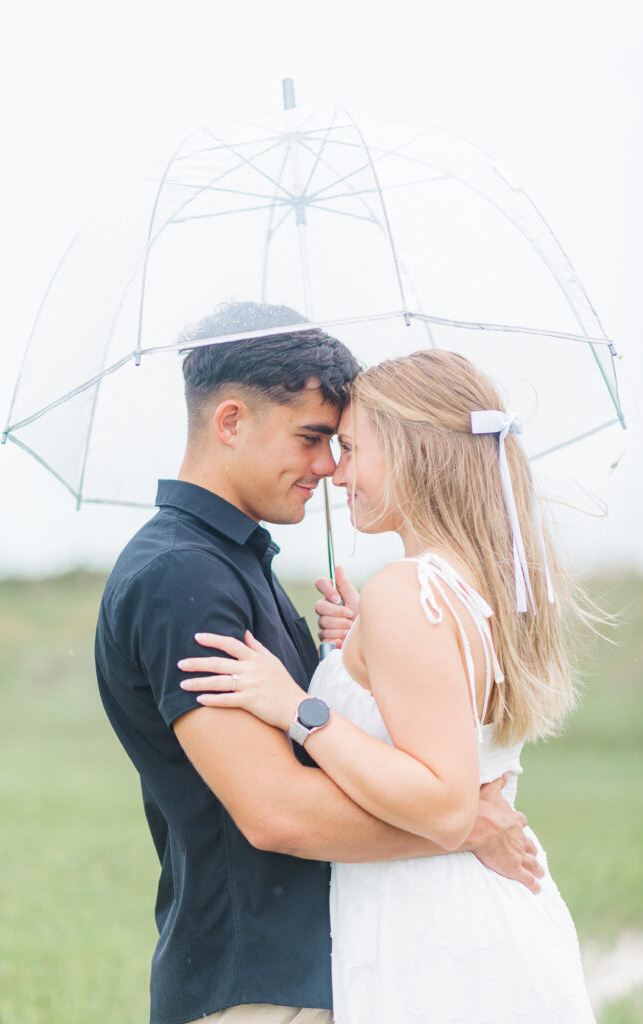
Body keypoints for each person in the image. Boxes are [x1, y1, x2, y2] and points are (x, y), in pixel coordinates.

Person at [96, 305, 542, 1024]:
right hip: (261, 984)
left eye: (339, 444)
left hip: (323, 968)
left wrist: (358, 662)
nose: (330, 467)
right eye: (312, 439)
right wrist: (465, 827)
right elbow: (276, 811)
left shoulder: (239, 566)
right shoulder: (182, 577)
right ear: (231, 421)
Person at [179, 348, 595, 1023]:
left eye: (349, 448)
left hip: (434, 926)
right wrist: (356, 654)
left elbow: (443, 802)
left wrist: (300, 706)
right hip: (483, 909)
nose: (335, 474)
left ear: (410, 452)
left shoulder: (407, 590)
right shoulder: (481, 581)